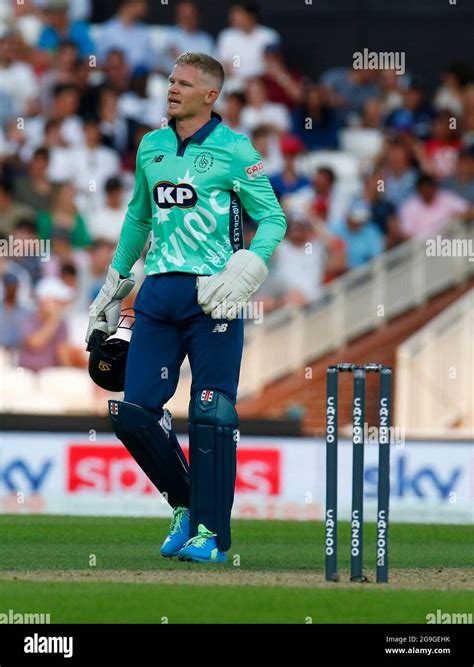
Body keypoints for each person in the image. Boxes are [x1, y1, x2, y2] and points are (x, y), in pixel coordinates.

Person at [85, 52, 286, 564]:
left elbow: (273, 219)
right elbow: (137, 218)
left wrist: (250, 265)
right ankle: (185, 505)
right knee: (135, 413)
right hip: (156, 295)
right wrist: (114, 284)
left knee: (211, 412)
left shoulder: (236, 150)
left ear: (210, 95)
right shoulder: (151, 145)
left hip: (213, 297)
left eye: (184, 83)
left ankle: (212, 536)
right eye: (171, 80)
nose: (172, 88)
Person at [18, 276, 75, 372]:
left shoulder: (61, 324)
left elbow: (62, 353)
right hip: (26, 373)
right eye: (57, 301)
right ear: (43, 301)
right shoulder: (28, 318)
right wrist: (53, 320)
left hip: (51, 375)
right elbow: (35, 343)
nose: (62, 306)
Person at [217, 2, 280, 87]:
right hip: (236, 83)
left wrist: (254, 81)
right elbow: (225, 65)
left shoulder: (269, 36)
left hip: (262, 84)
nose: (233, 17)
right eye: (232, 13)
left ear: (251, 15)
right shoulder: (227, 36)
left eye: (238, 13)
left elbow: (273, 66)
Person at [400, 174, 473, 239]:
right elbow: (406, 233)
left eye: (428, 188)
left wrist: (457, 217)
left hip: (449, 240)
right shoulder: (409, 206)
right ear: (419, 190)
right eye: (423, 189)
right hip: (422, 246)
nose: (427, 192)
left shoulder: (446, 197)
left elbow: (470, 211)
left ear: (434, 188)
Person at [96, 0, 155, 74]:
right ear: (129, 3)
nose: (145, 6)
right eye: (141, 2)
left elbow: (151, 63)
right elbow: (101, 61)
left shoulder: (143, 31)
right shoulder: (108, 30)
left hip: (139, 80)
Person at [159, 1, 215, 75]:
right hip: (168, 78)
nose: (187, 20)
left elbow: (211, 67)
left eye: (190, 16)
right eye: (183, 16)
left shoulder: (206, 40)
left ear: (197, 16)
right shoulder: (168, 35)